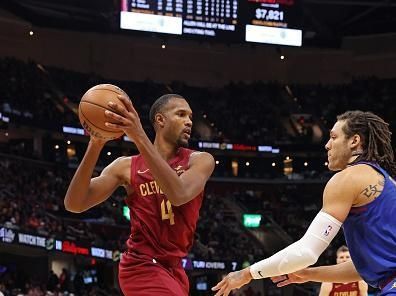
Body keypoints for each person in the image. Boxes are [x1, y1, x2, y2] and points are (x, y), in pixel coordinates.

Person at [212, 111, 396, 296]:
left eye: (333, 137)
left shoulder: (347, 178)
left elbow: (306, 252)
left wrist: (247, 273)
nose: (327, 145)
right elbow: (366, 268)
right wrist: (309, 273)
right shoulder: (386, 180)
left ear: (354, 141)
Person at [64, 93, 215, 296]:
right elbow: (75, 203)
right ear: (160, 120)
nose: (189, 122)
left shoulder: (200, 161)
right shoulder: (126, 166)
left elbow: (179, 194)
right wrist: (95, 144)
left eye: (190, 116)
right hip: (141, 265)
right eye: (181, 114)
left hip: (176, 270)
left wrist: (138, 135)